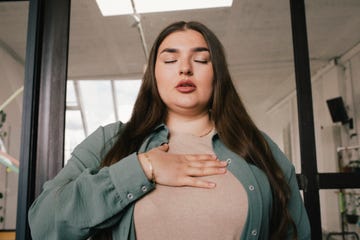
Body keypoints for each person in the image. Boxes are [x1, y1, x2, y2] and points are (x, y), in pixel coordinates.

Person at [28, 21, 310, 240]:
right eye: (170, 60)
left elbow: (297, 233)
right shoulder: (109, 142)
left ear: (218, 75)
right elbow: (44, 225)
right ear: (153, 74)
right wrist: (143, 167)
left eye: (200, 60)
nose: (185, 69)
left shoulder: (258, 147)